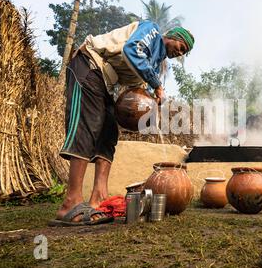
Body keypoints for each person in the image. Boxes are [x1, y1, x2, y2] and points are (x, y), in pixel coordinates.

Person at [50, 21, 195, 226]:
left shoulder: (155, 62)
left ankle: (97, 199)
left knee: (108, 134)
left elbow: (135, 89)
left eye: (183, 53)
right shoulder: (151, 30)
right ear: (171, 36)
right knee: (87, 126)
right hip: (89, 66)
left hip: (105, 82)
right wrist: (157, 85)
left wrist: (149, 108)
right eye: (180, 47)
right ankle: (70, 202)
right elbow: (131, 49)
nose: (179, 53)